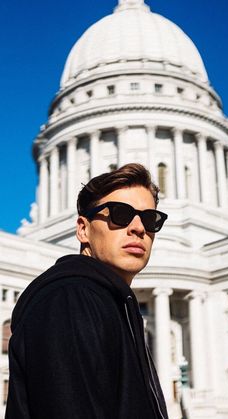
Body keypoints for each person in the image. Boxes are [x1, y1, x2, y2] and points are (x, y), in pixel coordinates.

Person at [6, 163, 169, 419]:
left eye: (150, 218)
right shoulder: (71, 298)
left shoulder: (113, 302)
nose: (139, 228)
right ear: (83, 229)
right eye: (120, 214)